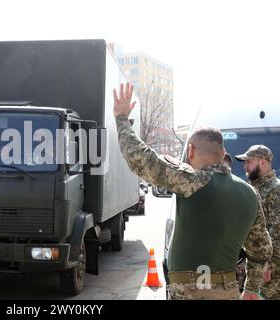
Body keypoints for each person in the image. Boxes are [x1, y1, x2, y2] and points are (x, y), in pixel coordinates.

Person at [113, 83, 272, 300]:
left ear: (190, 150)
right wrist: (252, 288)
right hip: (229, 291)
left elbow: (141, 158)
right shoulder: (250, 193)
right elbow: (261, 250)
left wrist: (122, 119)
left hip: (190, 292)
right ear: (223, 152)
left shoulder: (191, 180)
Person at [236, 145, 280, 299]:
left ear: (262, 162)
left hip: (269, 273)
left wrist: (269, 266)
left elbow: (277, 232)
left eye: (249, 162)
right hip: (253, 267)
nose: (245, 166)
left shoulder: (275, 190)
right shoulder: (254, 189)